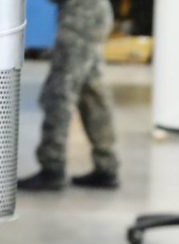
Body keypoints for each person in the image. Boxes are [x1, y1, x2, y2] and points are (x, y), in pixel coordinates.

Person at [18, 0, 120, 191]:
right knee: (91, 93)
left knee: (59, 92)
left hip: (80, 15)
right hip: (90, 12)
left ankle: (52, 167)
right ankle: (107, 166)